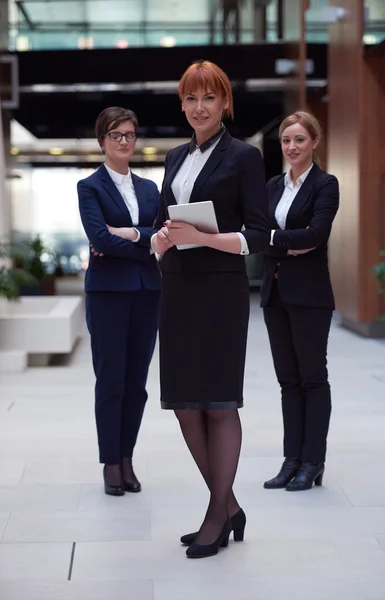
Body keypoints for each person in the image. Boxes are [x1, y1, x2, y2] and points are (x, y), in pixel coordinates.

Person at [152, 60, 269, 559]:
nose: (199, 108)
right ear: (182, 105)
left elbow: (259, 235)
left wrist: (205, 238)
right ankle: (230, 505)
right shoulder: (176, 157)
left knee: (219, 403)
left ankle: (217, 514)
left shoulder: (244, 156)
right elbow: (163, 220)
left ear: (225, 104)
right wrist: (160, 240)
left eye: (209, 98)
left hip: (220, 291)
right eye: (191, 99)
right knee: (184, 405)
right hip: (178, 289)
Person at [78, 107, 161, 496]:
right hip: (108, 295)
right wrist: (143, 242)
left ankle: (127, 456)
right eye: (116, 135)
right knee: (111, 381)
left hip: (147, 291)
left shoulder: (149, 189)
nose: (124, 141)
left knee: (137, 384)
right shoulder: (90, 187)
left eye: (129, 134)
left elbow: (161, 232)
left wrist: (128, 234)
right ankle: (111, 462)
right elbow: (99, 240)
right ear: (102, 141)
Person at [260, 110, 339, 492]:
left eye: (299, 140)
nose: (292, 147)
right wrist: (289, 242)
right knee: (287, 381)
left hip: (309, 296)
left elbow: (316, 234)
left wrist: (279, 240)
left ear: (314, 143)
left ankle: (313, 461)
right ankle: (291, 460)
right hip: (275, 292)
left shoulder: (326, 184)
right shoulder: (273, 185)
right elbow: (259, 232)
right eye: (286, 141)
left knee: (312, 378)